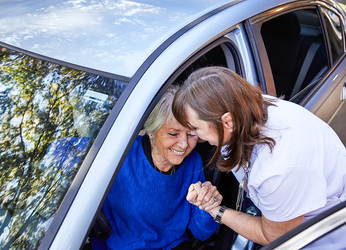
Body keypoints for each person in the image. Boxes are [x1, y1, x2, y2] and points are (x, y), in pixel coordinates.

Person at [172, 66, 346, 248]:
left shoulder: (276, 170)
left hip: (322, 235)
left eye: (195, 129)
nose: (193, 137)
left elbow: (273, 236)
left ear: (227, 121)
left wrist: (216, 210)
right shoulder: (242, 107)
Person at [92, 84, 220, 250]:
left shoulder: (193, 161)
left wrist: (208, 205)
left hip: (173, 245)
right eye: (173, 133)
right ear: (151, 131)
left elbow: (202, 233)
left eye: (191, 134)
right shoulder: (121, 155)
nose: (183, 144)